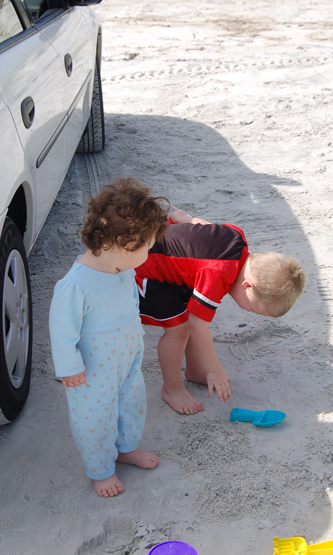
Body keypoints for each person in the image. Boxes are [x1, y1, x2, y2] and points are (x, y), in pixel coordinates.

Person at [49, 178, 169, 497]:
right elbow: (62, 330)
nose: (149, 252)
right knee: (96, 419)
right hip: (92, 371)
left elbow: (130, 302)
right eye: (146, 247)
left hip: (127, 358)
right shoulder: (76, 285)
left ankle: (126, 448)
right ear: (124, 242)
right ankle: (101, 469)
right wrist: (69, 366)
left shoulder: (122, 268)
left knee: (131, 404)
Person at [135, 208, 306, 415]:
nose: (249, 312)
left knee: (188, 316)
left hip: (171, 263)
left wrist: (184, 218)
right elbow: (198, 327)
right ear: (248, 286)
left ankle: (194, 370)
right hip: (145, 267)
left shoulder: (237, 238)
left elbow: (206, 227)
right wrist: (214, 370)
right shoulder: (218, 274)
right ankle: (172, 388)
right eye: (253, 309)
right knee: (179, 329)